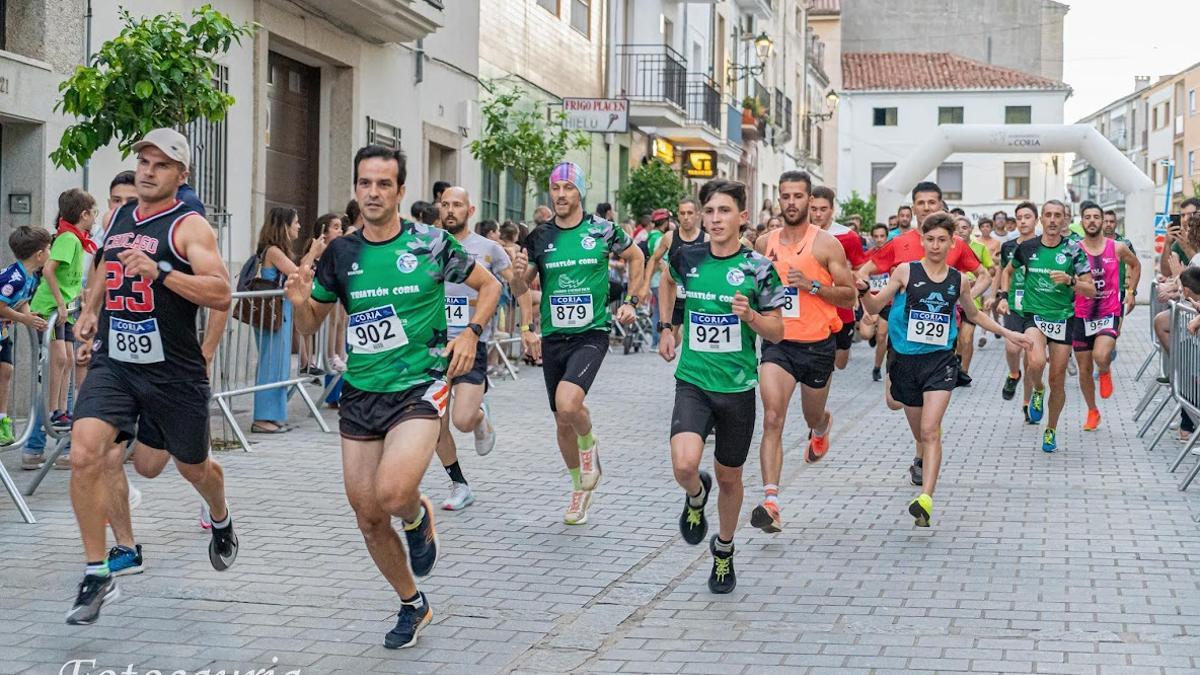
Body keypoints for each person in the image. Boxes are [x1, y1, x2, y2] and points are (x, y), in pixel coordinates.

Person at [286, 145, 500, 649]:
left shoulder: (431, 242)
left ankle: (417, 514)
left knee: (394, 492)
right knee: (367, 514)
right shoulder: (342, 253)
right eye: (365, 183)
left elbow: (489, 286)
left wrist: (469, 332)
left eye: (384, 184)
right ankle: (412, 603)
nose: (373, 192)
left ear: (401, 191)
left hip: (420, 385)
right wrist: (298, 303)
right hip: (362, 391)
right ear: (356, 189)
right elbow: (312, 323)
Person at [66, 128, 237, 624]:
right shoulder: (120, 214)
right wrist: (92, 310)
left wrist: (160, 272)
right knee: (85, 451)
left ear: (181, 175)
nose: (147, 170)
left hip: (172, 372)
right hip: (116, 363)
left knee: (189, 467)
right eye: (143, 160)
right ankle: (97, 574)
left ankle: (221, 517)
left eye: (160, 164)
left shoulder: (189, 227)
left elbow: (221, 292)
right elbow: (104, 265)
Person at [657, 179, 785, 593]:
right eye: (709, 211)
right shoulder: (687, 256)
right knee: (684, 464)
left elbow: (778, 331)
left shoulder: (758, 269)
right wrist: (666, 328)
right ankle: (695, 497)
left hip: (737, 389)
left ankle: (724, 550)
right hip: (693, 380)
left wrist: (751, 318)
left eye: (724, 211)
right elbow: (667, 281)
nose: (714, 219)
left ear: (742, 218)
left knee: (730, 478)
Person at [862, 213, 1031, 527]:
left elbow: (975, 315)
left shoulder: (959, 280)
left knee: (930, 430)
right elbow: (873, 308)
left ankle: (925, 498)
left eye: (942, 240)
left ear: (952, 242)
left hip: (940, 362)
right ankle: (924, 458)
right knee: (919, 431)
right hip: (904, 360)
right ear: (922, 241)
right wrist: (861, 291)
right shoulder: (904, 272)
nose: (936, 245)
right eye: (930, 239)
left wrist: (1009, 333)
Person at [511, 161, 644, 525]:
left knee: (569, 404)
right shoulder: (539, 238)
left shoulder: (602, 231)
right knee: (560, 419)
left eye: (568, 187)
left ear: (580, 191)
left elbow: (636, 256)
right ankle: (579, 490)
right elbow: (522, 290)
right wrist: (520, 286)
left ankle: (590, 445)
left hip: (591, 333)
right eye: (555, 188)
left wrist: (632, 301)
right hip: (554, 335)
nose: (561, 195)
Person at [855, 182, 985, 485]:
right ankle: (925, 443)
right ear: (913, 207)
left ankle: (922, 455)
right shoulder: (898, 243)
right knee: (893, 401)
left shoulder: (952, 243)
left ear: (941, 205)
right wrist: (866, 305)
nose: (926, 207)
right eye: (921, 203)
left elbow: (983, 276)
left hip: (938, 343)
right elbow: (864, 271)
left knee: (930, 416)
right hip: (902, 337)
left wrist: (961, 305)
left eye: (932, 202)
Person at [750, 171, 856, 534]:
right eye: (785, 196)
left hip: (817, 346)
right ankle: (771, 501)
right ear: (778, 199)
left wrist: (811, 285)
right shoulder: (764, 244)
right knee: (772, 418)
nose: (791, 202)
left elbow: (850, 296)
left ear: (810, 201)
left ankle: (822, 425)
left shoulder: (827, 245)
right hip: (778, 345)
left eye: (798, 196)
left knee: (811, 414)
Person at [434, 186, 532, 510]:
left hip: (471, 342)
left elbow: (518, 290)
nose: (450, 210)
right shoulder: (428, 247)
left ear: (470, 210)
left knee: (461, 420)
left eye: (457, 205)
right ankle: (458, 484)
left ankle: (479, 418)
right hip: (432, 346)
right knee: (435, 421)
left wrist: (527, 328)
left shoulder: (489, 249)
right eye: (445, 204)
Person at [997, 200, 1095, 453]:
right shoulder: (1027, 248)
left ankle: (1050, 429)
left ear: (1064, 220)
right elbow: (1007, 271)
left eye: (1058, 216)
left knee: (1058, 379)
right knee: (1037, 362)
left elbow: (1091, 289)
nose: (1053, 220)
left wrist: (1071, 280)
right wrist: (1002, 297)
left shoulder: (1074, 250)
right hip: (1034, 315)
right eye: (1048, 215)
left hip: (1063, 317)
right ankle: (1037, 390)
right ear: (1041, 219)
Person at [249, 208, 325, 434]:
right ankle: (263, 418)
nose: (299, 227)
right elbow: (298, 276)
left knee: (280, 365)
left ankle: (274, 415)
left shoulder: (276, 250)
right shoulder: (272, 251)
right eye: (296, 222)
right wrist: (312, 253)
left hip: (280, 314)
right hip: (272, 315)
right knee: (271, 365)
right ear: (284, 225)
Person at [1071, 201, 1140, 430]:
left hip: (1109, 311)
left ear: (1103, 221)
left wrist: (1130, 292)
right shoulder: (1074, 249)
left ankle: (1105, 369)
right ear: (1082, 222)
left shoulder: (1117, 247)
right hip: (1081, 315)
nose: (1092, 221)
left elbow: (1135, 265)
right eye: (1087, 217)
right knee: (1083, 370)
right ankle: (1092, 410)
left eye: (1096, 217)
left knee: (1101, 355)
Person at [0, 227, 51, 448]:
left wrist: (30, 317)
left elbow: (22, 302)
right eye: (49, 248)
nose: (51, 252)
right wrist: (24, 320)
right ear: (39, 255)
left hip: (2, 331)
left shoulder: (30, 277)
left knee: (6, 370)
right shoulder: (15, 277)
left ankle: (2, 420)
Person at [810, 186, 867, 370]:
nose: (818, 214)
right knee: (821, 362)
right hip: (813, 303)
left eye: (823, 209)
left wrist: (861, 296)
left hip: (841, 305)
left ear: (832, 210)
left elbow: (860, 268)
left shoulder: (848, 236)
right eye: (814, 209)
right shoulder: (802, 234)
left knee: (840, 362)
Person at [994, 202, 1039, 414]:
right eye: (1019, 217)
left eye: (1027, 217)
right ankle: (1013, 374)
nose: (1023, 221)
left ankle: (1027, 402)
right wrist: (1001, 297)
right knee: (1012, 348)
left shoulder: (1043, 245)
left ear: (1036, 221)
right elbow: (1003, 272)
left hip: (1037, 307)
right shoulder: (1008, 247)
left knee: (1031, 358)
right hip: (1014, 303)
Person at [642, 198, 707, 344]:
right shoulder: (669, 237)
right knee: (670, 342)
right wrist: (645, 286)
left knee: (695, 341)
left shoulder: (706, 239)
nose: (686, 217)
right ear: (678, 215)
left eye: (690, 213)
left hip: (697, 298)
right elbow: (653, 259)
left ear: (697, 215)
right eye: (682, 213)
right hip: (674, 297)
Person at [953, 216, 995, 379]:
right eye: (957, 228)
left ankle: (964, 371)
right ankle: (955, 363)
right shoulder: (949, 246)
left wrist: (977, 280)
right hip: (952, 301)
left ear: (971, 229)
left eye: (964, 227)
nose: (960, 231)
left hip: (972, 300)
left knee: (967, 337)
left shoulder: (980, 247)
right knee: (956, 339)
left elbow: (990, 269)